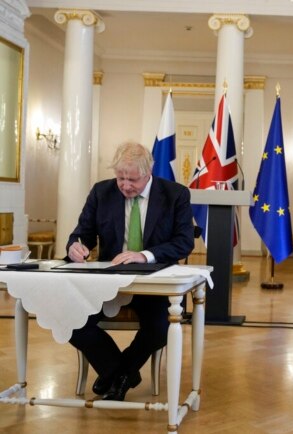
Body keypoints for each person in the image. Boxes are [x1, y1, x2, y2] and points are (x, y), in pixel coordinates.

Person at [66, 142, 194, 401]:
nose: (125, 185)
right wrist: (75, 247)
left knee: (160, 326)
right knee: (70, 321)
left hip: (156, 280)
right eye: (120, 177)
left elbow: (184, 242)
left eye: (132, 179)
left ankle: (117, 375)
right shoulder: (101, 192)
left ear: (149, 172)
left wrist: (144, 255)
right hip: (108, 281)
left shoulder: (175, 194)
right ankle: (121, 373)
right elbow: (82, 234)